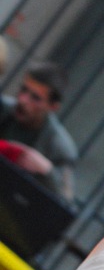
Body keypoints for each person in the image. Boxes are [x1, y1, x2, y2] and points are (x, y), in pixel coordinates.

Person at [0, 60, 78, 201]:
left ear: (53, 107)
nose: (23, 100)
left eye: (35, 98)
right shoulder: (4, 109)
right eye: (23, 89)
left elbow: (65, 200)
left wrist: (47, 171)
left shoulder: (60, 149)